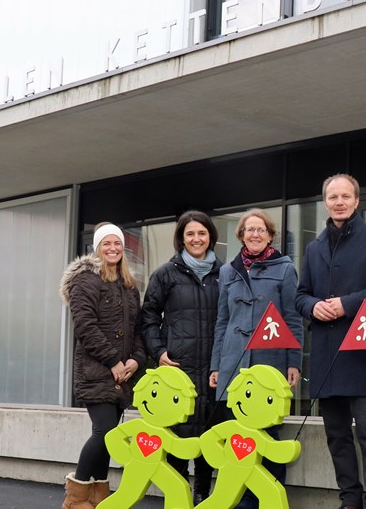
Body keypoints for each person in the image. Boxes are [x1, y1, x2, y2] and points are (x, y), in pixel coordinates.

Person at [295, 174, 366, 509]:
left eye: (345, 196)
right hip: (326, 356)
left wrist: (348, 303)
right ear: (325, 202)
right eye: (333, 197)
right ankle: (350, 500)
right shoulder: (314, 247)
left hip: (363, 352)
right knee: (337, 435)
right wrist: (313, 306)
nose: (339, 202)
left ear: (357, 201)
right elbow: (300, 296)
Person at [210, 208, 303, 509]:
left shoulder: (285, 268)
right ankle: (242, 497)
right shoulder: (228, 271)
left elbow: (293, 318)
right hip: (234, 361)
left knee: (269, 432)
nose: (255, 234)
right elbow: (222, 322)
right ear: (241, 235)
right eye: (249, 230)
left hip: (270, 361)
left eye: (261, 230)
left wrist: (294, 361)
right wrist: (216, 366)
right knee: (238, 431)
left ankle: (269, 496)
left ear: (270, 235)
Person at [59, 222, 147, 509]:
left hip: (122, 375)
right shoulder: (85, 282)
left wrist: (136, 359)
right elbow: (85, 327)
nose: (113, 248)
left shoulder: (129, 287)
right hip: (96, 372)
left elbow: (137, 329)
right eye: (106, 244)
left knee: (111, 436)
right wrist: (113, 361)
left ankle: (98, 498)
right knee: (105, 432)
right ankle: (75, 498)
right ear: (97, 248)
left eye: (117, 243)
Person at [139, 210, 224, 504]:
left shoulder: (224, 274)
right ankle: (176, 496)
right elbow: (148, 316)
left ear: (210, 236)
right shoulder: (166, 274)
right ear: (181, 238)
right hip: (178, 367)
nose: (196, 239)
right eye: (190, 234)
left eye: (201, 233)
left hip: (214, 368)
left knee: (209, 433)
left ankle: (202, 493)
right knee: (178, 434)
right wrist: (159, 352)